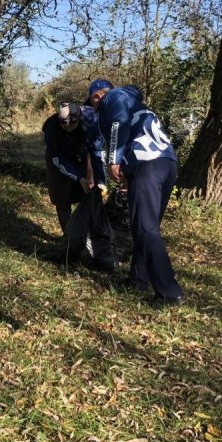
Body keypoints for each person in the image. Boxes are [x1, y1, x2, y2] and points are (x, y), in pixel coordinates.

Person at [88, 79, 184, 305]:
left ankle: (169, 292)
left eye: (93, 103)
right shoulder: (136, 103)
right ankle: (138, 279)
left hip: (147, 165)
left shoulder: (114, 97)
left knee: (144, 228)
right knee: (147, 226)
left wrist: (114, 160)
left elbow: (117, 124)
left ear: (97, 97)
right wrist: (130, 176)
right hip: (166, 164)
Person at [42, 102, 93, 234]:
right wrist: (77, 177)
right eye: (65, 126)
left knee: (87, 194)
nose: (69, 129)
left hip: (80, 156)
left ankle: (87, 233)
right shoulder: (51, 129)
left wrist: (89, 173)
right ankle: (69, 237)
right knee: (62, 200)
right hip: (58, 159)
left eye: (73, 125)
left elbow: (93, 150)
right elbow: (57, 159)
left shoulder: (89, 121)